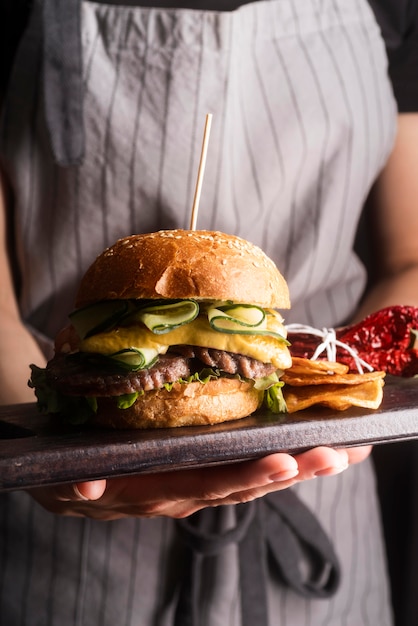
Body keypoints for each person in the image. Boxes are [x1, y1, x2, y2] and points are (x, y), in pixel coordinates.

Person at [0, 0, 417, 624]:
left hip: (320, 495)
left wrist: (336, 386)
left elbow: (409, 253)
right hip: (73, 561)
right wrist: (40, 460)